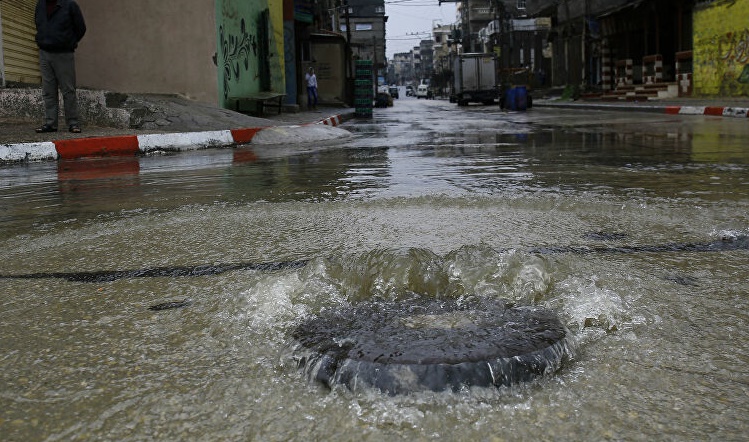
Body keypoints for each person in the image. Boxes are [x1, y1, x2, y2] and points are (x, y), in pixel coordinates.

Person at [34, 0, 86, 133]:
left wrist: (68, 42)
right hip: (44, 53)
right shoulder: (40, 5)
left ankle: (73, 123)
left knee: (68, 90)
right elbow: (38, 23)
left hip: (63, 53)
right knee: (48, 90)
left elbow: (81, 28)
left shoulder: (69, 5)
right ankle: (51, 124)